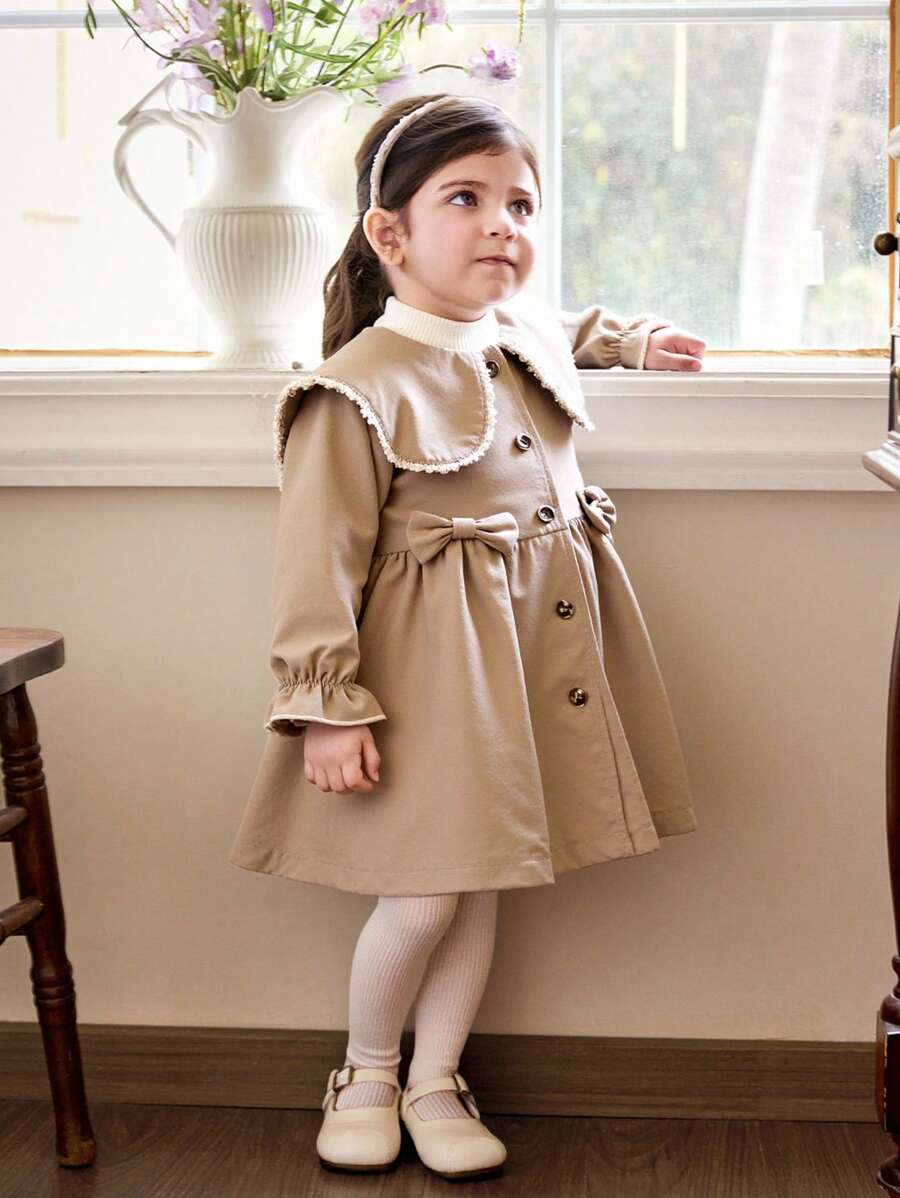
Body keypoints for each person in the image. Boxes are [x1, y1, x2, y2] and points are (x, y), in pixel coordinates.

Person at [228, 90, 705, 1181]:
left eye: (521, 205)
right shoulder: (352, 391)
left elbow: (561, 325)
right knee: (426, 890)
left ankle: (437, 1078)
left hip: (522, 665)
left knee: (484, 878)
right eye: (467, 200)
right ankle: (366, 1072)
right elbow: (316, 564)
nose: (503, 224)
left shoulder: (516, 333)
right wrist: (324, 707)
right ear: (389, 233)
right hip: (426, 683)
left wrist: (631, 337)